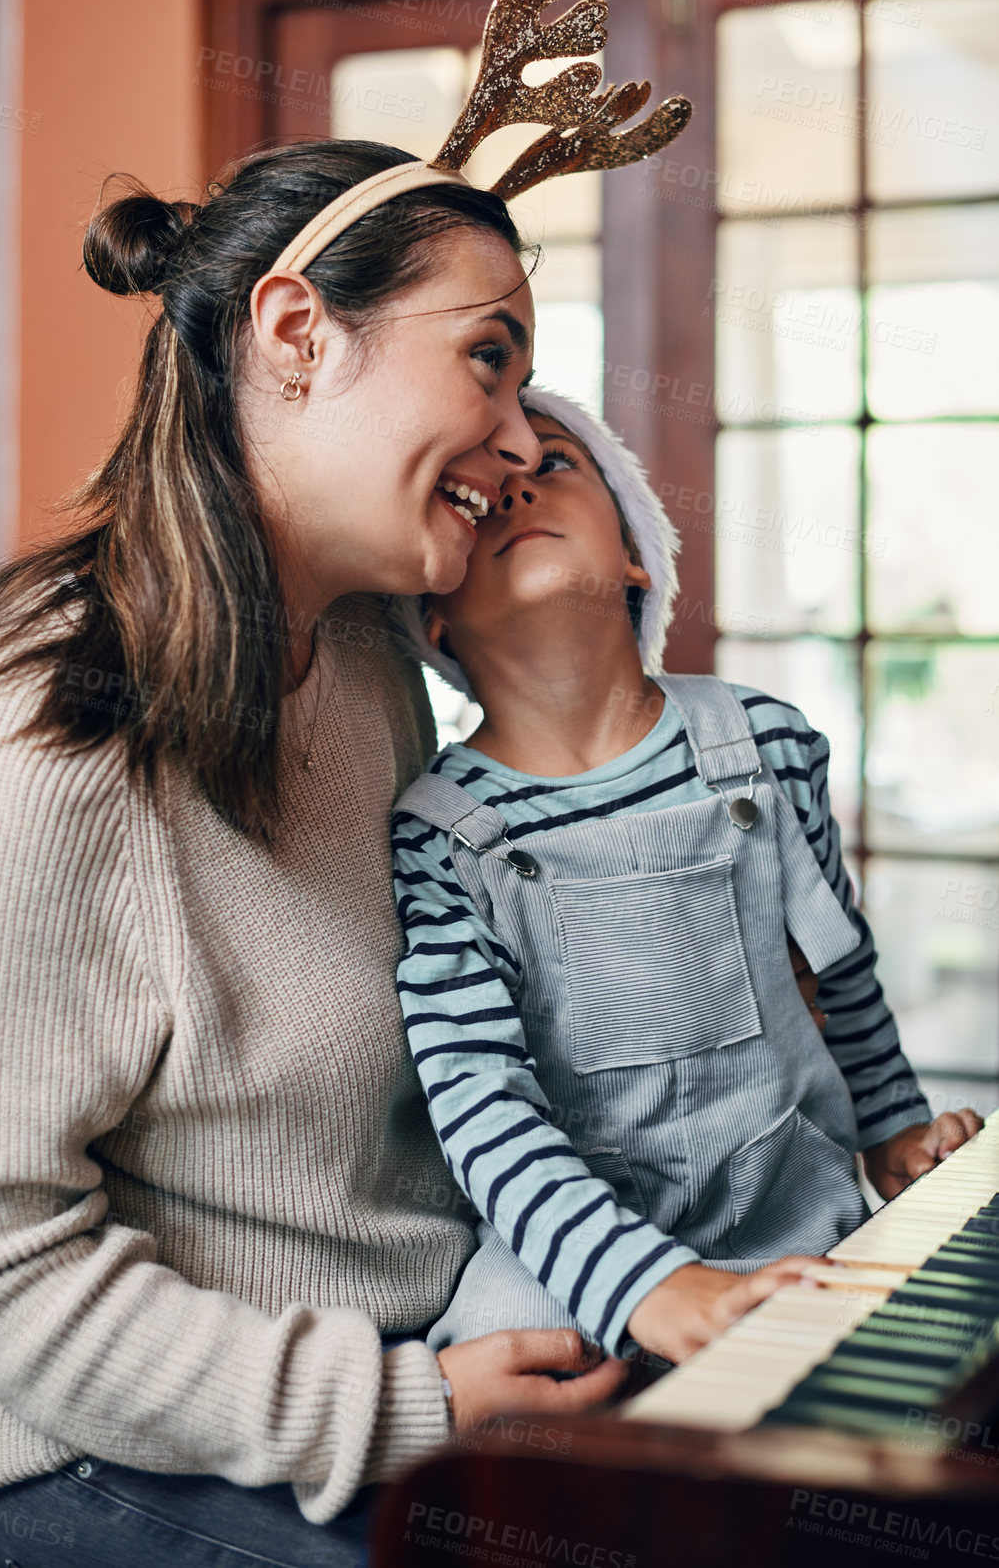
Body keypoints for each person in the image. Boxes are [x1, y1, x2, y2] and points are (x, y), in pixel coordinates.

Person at [0, 144, 628, 1568]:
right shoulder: (32, 739)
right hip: (123, 1454)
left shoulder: (355, 653)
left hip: (425, 1345)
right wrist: (395, 1403)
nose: (522, 439)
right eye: (487, 359)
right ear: (292, 336)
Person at [390, 386, 982, 1370]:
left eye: (554, 467)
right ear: (434, 619)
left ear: (635, 554)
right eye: (483, 496)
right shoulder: (439, 835)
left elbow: (842, 967)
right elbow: (476, 1095)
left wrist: (895, 1133)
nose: (519, 493)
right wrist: (648, 1287)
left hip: (794, 1223)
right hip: (572, 1265)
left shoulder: (767, 744)